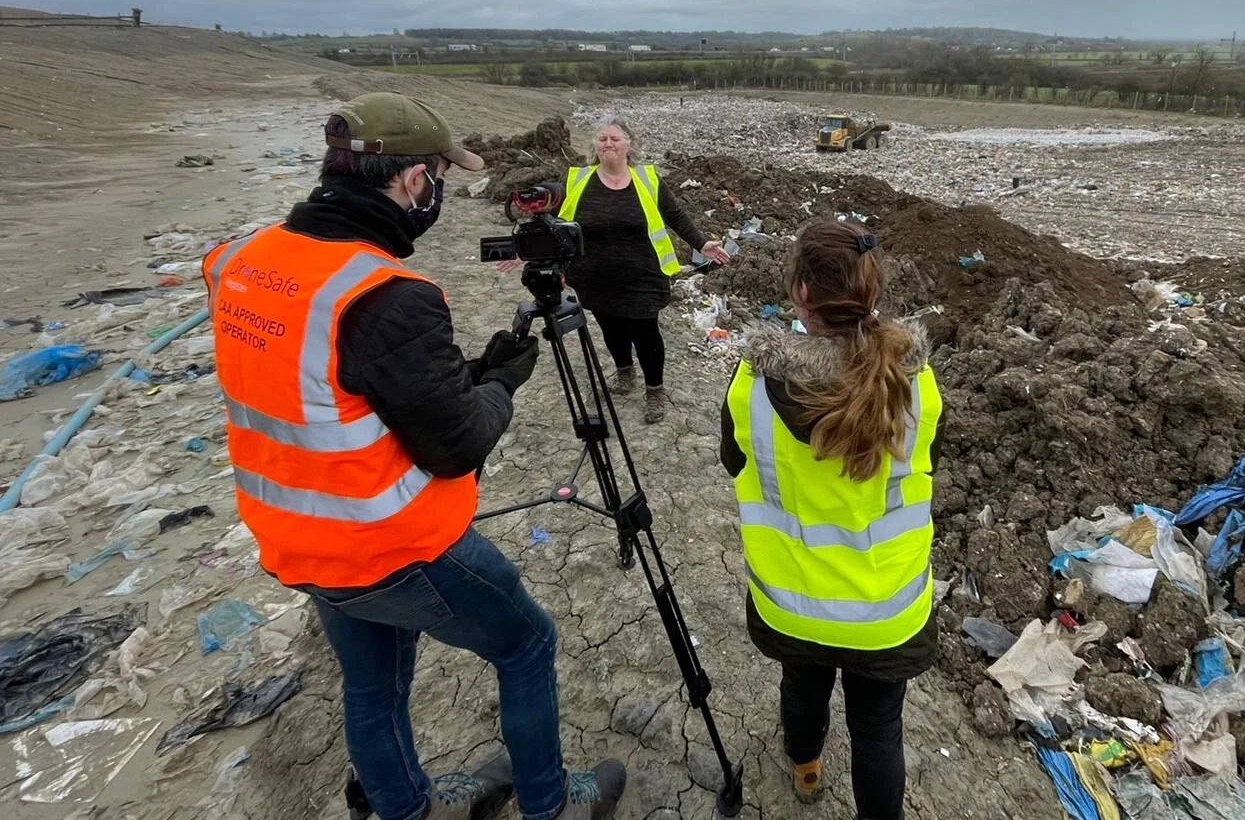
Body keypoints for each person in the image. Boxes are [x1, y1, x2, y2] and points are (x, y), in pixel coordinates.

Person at [203, 92, 627, 820]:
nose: (439, 191)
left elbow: (336, 384)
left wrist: (459, 377)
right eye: (440, 176)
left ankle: (405, 809)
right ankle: (550, 804)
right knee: (527, 644)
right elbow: (456, 445)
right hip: (392, 545)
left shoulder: (237, 261)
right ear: (412, 181)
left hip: (294, 537)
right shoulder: (386, 295)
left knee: (373, 684)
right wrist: (498, 382)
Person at [719, 220, 942, 820]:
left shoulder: (753, 384)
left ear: (801, 293)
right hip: (886, 606)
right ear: (872, 293)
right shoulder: (915, 382)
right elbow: (928, 463)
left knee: (803, 686)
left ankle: (806, 767)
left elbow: (733, 461)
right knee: (878, 726)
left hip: (792, 598)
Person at [557, 119, 729, 424]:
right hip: (593, 277)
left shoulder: (647, 179)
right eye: (602, 138)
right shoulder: (577, 179)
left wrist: (702, 244)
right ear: (595, 145)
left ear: (629, 144)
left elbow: (675, 215)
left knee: (645, 333)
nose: (608, 144)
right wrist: (538, 257)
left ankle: (654, 389)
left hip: (642, 276)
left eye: (614, 138)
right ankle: (624, 372)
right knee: (611, 328)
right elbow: (557, 224)